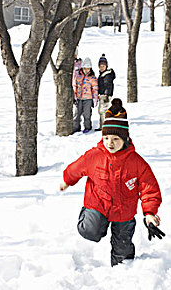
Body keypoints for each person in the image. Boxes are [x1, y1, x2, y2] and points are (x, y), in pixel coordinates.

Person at [60, 99, 164, 266]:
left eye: (116, 139)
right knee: (90, 231)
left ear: (125, 139)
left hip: (124, 212)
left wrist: (150, 213)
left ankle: (122, 273)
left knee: (122, 254)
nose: (110, 143)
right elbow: (76, 168)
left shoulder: (136, 162)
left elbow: (149, 188)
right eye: (107, 138)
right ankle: (87, 216)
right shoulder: (95, 156)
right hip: (98, 204)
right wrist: (67, 180)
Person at [73, 57, 98, 133]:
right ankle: (76, 127)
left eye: (88, 68)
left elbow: (95, 89)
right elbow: (75, 86)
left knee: (87, 114)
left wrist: (95, 99)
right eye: (85, 68)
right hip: (79, 98)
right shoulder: (78, 77)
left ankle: (87, 127)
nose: (86, 70)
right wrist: (75, 96)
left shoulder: (92, 78)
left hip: (88, 99)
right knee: (77, 114)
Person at [95, 54, 116, 131]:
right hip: (102, 94)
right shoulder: (102, 74)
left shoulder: (107, 75)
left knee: (102, 111)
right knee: (101, 111)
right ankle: (103, 126)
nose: (101, 67)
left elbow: (108, 85)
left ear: (106, 66)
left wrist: (106, 95)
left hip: (105, 95)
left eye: (103, 65)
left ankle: (104, 126)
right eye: (100, 65)